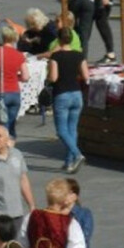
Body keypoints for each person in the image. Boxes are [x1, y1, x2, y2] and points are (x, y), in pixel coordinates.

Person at [48, 27, 89, 172]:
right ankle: (68, 162)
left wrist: (47, 78)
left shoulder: (56, 57)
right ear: (71, 39)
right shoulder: (79, 55)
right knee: (72, 129)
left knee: (61, 131)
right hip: (77, 94)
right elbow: (86, 76)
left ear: (58, 40)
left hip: (62, 94)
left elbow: (54, 77)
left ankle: (77, 154)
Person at [0, 26, 30, 138]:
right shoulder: (19, 55)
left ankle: (2, 150)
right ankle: (11, 146)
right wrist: (14, 76)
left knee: (0, 126)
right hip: (14, 93)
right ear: (14, 39)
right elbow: (26, 77)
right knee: (11, 125)